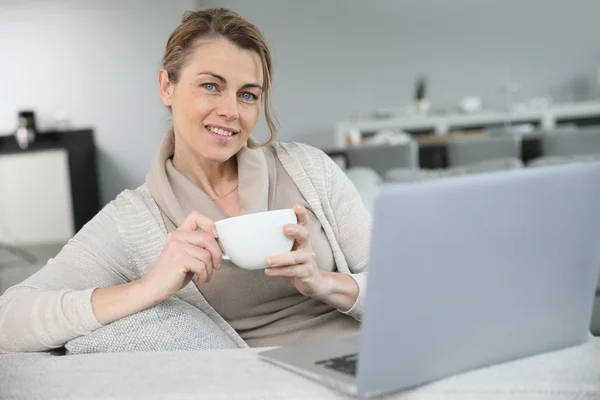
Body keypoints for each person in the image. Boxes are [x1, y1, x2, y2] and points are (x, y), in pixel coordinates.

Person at [0, 7, 371, 353]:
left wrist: (325, 283)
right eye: (211, 86)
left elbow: (405, 284)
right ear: (167, 86)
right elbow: (10, 317)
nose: (230, 111)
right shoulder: (133, 221)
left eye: (247, 95)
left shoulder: (308, 168)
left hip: (370, 351)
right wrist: (149, 287)